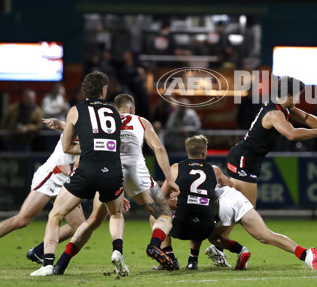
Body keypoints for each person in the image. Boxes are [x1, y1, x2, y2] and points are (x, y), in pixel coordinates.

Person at [50, 93, 180, 274]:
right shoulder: (141, 121)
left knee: (94, 220)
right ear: (132, 109)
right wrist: (170, 179)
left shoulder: (106, 121)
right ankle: (154, 245)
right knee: (164, 214)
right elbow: (158, 147)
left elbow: (88, 143)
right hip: (136, 171)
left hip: (110, 171)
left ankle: (61, 263)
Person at [30, 71, 126, 277]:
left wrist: (87, 148)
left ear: (85, 91)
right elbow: (114, 142)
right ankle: (117, 251)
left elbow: (66, 147)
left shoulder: (75, 110)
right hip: (113, 171)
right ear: (103, 91)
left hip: (88, 171)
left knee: (55, 215)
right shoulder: (114, 111)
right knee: (116, 214)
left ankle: (47, 263)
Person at [0, 118, 85, 266]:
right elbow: (68, 131)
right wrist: (58, 123)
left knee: (77, 225)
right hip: (51, 177)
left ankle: (38, 251)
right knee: (22, 219)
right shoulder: (81, 128)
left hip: (66, 181)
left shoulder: (93, 133)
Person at [226, 76, 317, 206]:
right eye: (298, 95)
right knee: (247, 211)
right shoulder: (275, 114)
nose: (299, 99)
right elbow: (292, 134)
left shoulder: (283, 106)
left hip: (247, 159)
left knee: (237, 211)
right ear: (290, 95)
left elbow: (307, 118)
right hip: (243, 160)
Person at [159, 135, 232, 270]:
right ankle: (193, 260)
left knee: (156, 216)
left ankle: (169, 258)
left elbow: (160, 198)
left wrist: (177, 203)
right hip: (206, 228)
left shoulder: (175, 168)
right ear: (204, 152)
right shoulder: (215, 170)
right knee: (199, 212)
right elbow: (230, 188)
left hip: (181, 228)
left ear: (188, 152)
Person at [205, 184, 317, 270]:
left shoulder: (187, 174)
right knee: (265, 235)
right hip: (234, 196)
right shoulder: (212, 169)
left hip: (220, 205)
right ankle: (305, 254)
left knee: (213, 237)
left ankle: (241, 250)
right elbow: (228, 183)